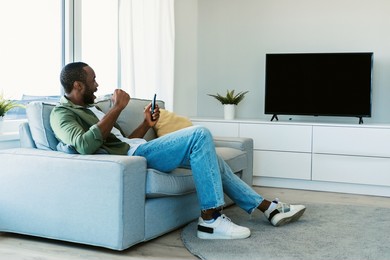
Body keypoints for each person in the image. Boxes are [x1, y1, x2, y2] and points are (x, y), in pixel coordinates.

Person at [50, 62, 306, 240]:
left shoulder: (92, 109)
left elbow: (123, 141)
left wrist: (146, 125)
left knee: (210, 156)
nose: (98, 84)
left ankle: (267, 208)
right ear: (78, 86)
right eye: (93, 80)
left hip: (138, 149)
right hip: (133, 160)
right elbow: (84, 145)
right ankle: (210, 218)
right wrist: (116, 109)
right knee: (200, 133)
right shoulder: (61, 113)